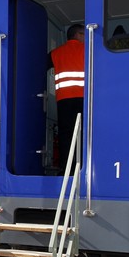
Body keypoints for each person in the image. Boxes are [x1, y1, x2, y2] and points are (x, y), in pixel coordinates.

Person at [49, 23, 85, 171]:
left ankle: (65, 169)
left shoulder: (55, 53)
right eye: (83, 34)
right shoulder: (87, 50)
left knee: (66, 135)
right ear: (77, 35)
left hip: (63, 100)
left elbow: (37, 67)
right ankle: (81, 167)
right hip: (83, 98)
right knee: (83, 134)